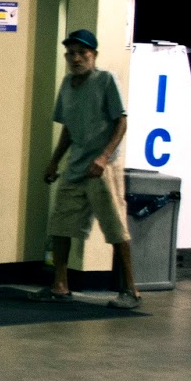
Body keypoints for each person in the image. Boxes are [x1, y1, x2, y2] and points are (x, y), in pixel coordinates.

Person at [30, 28, 141, 309]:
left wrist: (103, 157)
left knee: (115, 227)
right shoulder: (67, 85)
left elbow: (121, 122)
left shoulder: (105, 81)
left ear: (94, 55)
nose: (76, 59)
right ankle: (60, 284)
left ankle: (131, 289)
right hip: (76, 164)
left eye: (82, 53)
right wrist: (55, 161)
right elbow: (68, 127)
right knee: (61, 225)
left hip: (102, 167)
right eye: (71, 54)